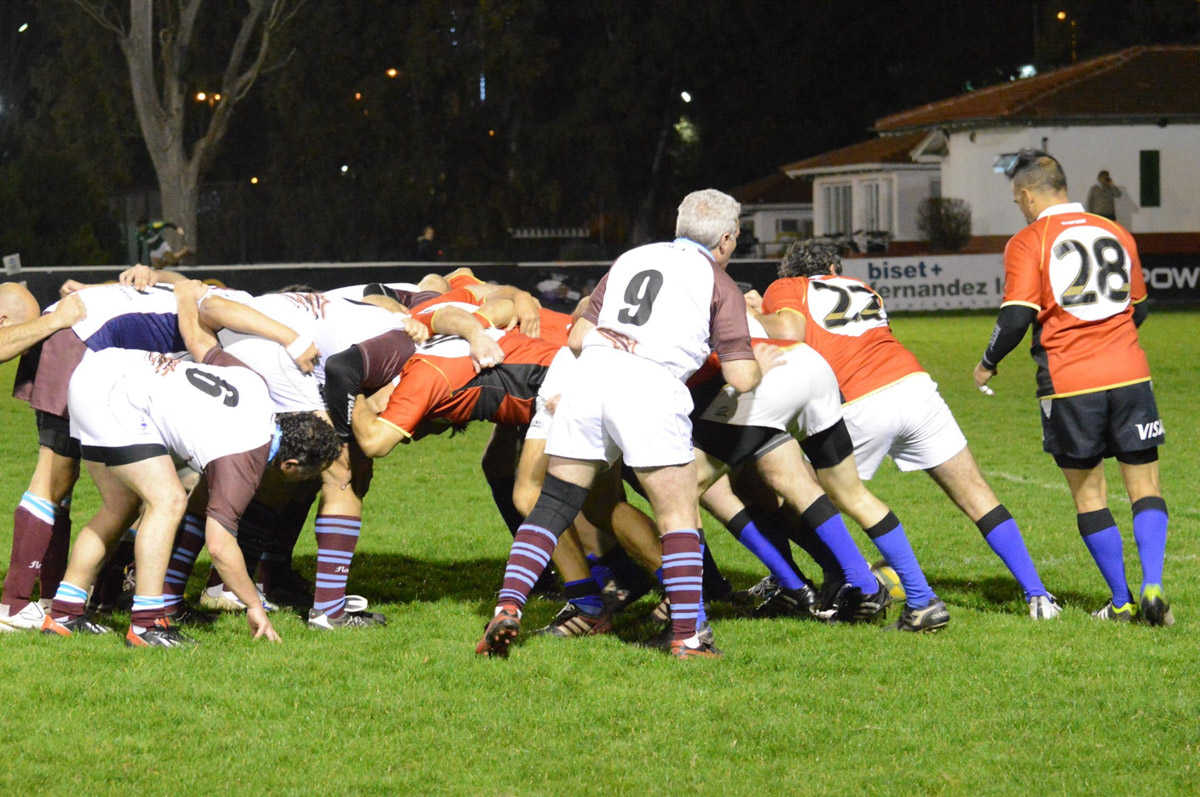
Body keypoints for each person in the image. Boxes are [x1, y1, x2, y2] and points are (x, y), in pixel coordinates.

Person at [474, 188, 772, 660]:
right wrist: (762, 366)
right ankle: (689, 637)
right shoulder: (719, 282)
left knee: (553, 503)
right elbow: (740, 376)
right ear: (727, 239)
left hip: (589, 376)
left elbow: (576, 336)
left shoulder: (631, 258)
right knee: (677, 514)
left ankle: (508, 604)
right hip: (651, 386)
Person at [755, 238, 1059, 626]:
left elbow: (789, 333)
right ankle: (1038, 595)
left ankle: (846, 581)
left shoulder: (787, 287)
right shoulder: (862, 287)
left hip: (857, 400)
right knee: (976, 493)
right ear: (833, 269)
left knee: (799, 494)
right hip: (914, 387)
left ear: (791, 272)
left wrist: (751, 313)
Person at [41, 280, 341, 646]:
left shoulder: (256, 386)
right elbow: (220, 546)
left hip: (101, 367)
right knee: (168, 501)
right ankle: (148, 623)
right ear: (290, 465)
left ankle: (64, 613)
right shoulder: (246, 459)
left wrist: (185, 295)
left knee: (119, 507)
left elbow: (199, 342)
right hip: (115, 395)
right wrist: (253, 605)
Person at [975, 149, 1169, 625]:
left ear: (1026, 194)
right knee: (1145, 485)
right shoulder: (1115, 231)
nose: (1019, 208)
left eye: (1017, 200)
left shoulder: (1029, 240)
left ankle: (1121, 602)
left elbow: (1016, 316)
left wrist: (987, 362)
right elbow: (1140, 306)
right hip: (1130, 374)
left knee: (1090, 495)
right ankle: (1153, 584)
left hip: (1069, 382)